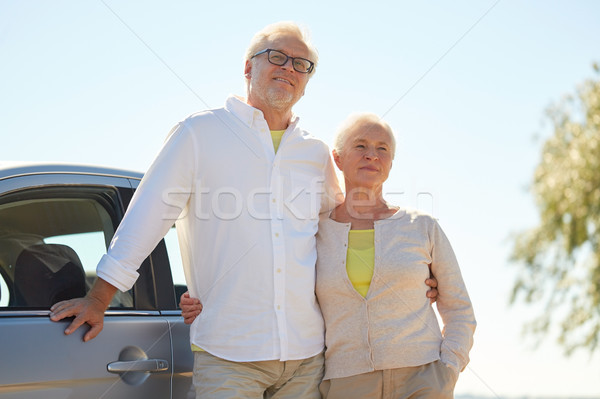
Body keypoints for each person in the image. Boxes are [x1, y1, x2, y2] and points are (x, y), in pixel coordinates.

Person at [51, 21, 439, 398]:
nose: (289, 68)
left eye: (301, 64)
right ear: (248, 66)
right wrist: (100, 298)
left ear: (305, 84)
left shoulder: (315, 154)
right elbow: (146, 217)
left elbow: (340, 229)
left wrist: (406, 274)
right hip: (227, 354)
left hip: (306, 358)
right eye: (277, 57)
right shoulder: (199, 134)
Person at [316, 113, 476, 398]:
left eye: (383, 149)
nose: (372, 156)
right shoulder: (315, 233)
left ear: (390, 162)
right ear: (338, 159)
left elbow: (459, 309)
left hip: (422, 380)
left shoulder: (422, 227)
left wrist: (447, 370)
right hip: (346, 383)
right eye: (361, 146)